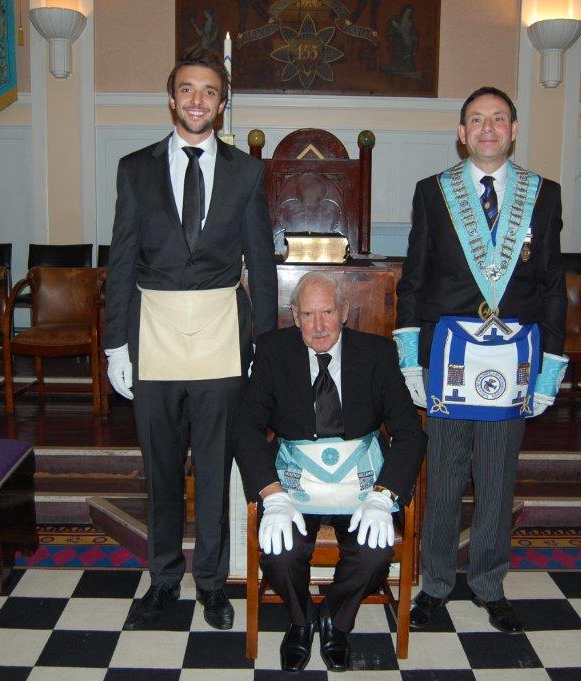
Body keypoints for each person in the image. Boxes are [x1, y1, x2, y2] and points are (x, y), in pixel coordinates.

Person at [104, 47, 277, 631]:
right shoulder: (134, 168)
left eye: (209, 92)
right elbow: (121, 261)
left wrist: (266, 349)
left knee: (214, 467)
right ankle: (162, 578)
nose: (197, 100)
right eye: (187, 90)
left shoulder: (248, 172)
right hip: (151, 335)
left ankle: (210, 583)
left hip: (221, 337)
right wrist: (113, 346)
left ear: (222, 104)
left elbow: (263, 265)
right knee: (160, 471)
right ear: (171, 97)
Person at [394, 86, 567, 634]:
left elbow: (553, 285)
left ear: (514, 131)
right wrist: (410, 360)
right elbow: (415, 282)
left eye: (498, 119)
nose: (488, 128)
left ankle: (490, 585)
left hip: (514, 355)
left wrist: (550, 368)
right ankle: (437, 585)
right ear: (462, 133)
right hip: (449, 354)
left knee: (497, 478)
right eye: (477, 120)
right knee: (443, 476)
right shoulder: (432, 191)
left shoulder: (543, 194)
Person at [234, 272, 425, 673]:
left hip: (362, 483)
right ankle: (302, 621)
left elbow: (409, 432)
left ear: (344, 312)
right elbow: (246, 426)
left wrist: (384, 495)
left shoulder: (377, 353)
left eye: (327, 313)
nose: (319, 326)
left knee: (375, 553)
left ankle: (335, 621)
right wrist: (271, 495)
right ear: (294, 315)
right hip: (294, 482)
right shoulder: (272, 351)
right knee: (280, 552)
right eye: (307, 314)